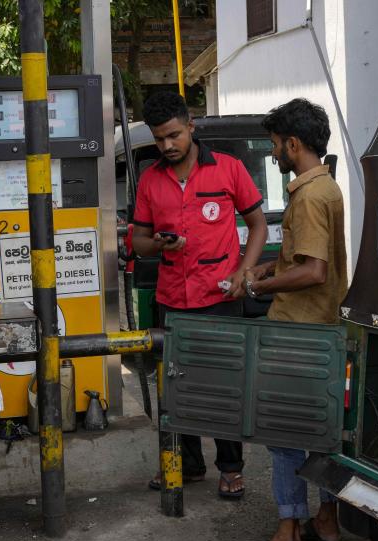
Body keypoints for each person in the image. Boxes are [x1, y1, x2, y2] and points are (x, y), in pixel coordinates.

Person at [229, 98, 348, 541]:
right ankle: (327, 520)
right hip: (323, 328)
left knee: (283, 436)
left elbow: (314, 271)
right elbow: (303, 261)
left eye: (276, 146)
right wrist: (266, 266)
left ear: (293, 144)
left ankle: (288, 534)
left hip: (300, 331)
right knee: (322, 431)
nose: (274, 154)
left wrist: (260, 282)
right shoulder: (327, 188)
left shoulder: (310, 196)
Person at [131, 91, 268, 499]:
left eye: (173, 135)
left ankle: (231, 468)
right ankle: (188, 465)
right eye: (159, 139)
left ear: (191, 127)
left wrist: (244, 271)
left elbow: (258, 225)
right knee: (177, 385)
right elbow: (138, 241)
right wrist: (158, 245)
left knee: (224, 385)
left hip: (221, 297)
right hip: (173, 298)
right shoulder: (151, 180)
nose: (167, 145)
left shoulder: (229, 169)